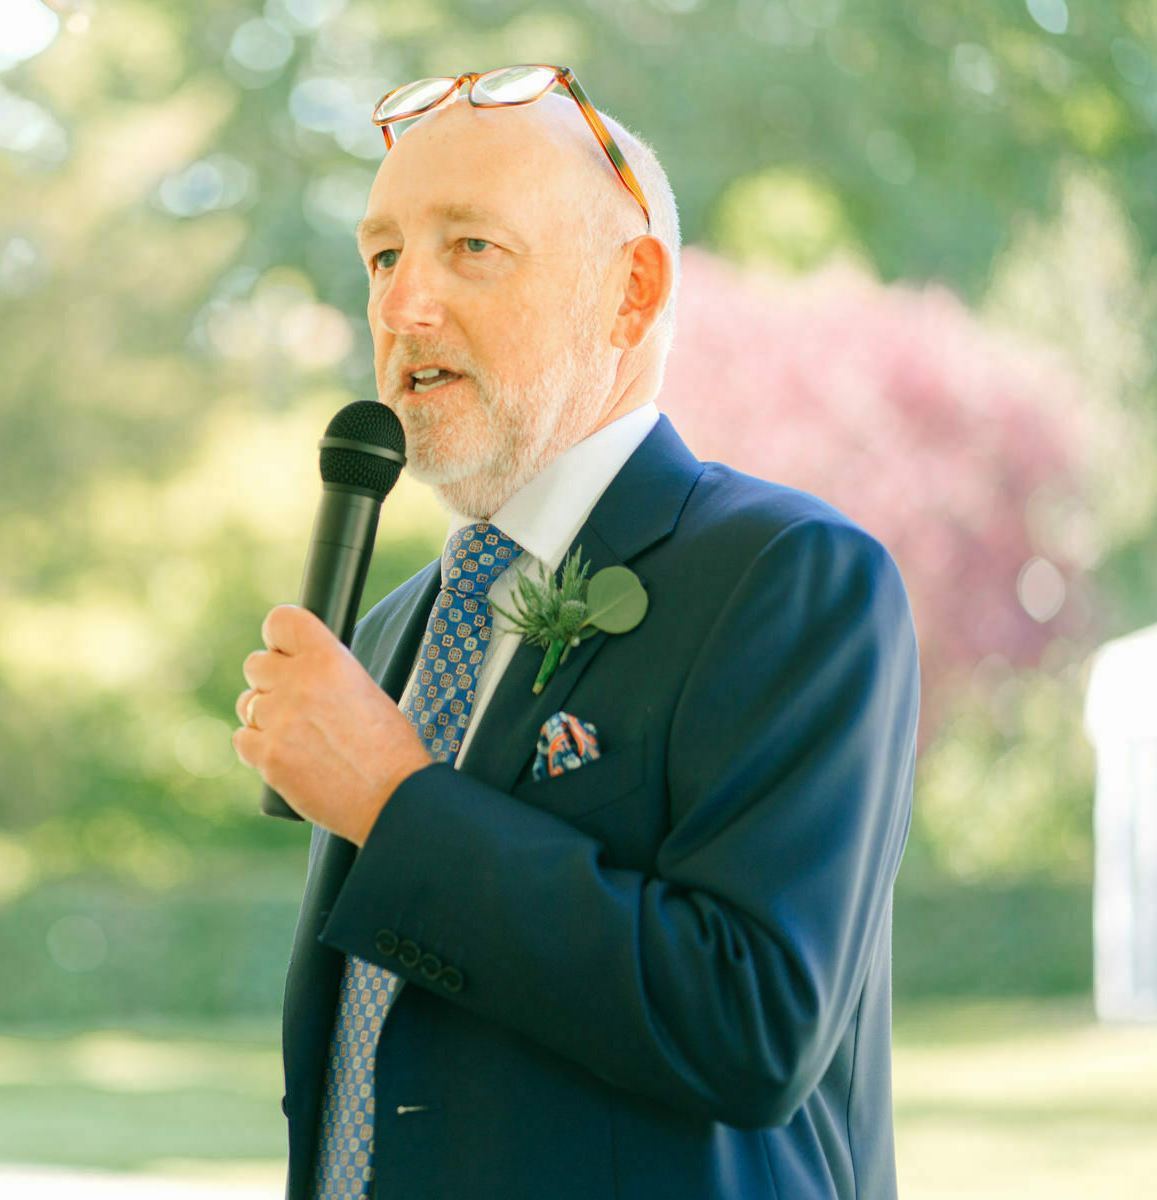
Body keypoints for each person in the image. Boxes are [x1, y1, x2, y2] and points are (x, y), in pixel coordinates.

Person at [232, 67, 918, 1200]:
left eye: (472, 248)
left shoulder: (793, 580)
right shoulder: (398, 627)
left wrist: (395, 804)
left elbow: (753, 1025)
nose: (403, 307)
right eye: (384, 255)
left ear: (631, 294)